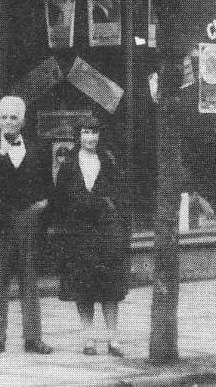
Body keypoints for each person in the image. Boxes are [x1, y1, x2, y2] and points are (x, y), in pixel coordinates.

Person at [0, 95, 54, 355]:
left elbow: (45, 185)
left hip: (28, 221)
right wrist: (1, 155)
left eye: (14, 117)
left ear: (23, 121)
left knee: (29, 281)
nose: (8, 122)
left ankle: (33, 338)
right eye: (4, 117)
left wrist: (43, 207)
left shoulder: (37, 150)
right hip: (0, 223)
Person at [51, 116, 131, 357]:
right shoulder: (69, 165)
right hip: (79, 234)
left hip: (106, 232)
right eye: (86, 132)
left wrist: (116, 221)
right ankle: (88, 338)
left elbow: (120, 195)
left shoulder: (108, 161)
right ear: (79, 135)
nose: (91, 138)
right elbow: (60, 199)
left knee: (110, 288)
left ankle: (113, 339)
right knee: (83, 287)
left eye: (95, 132)